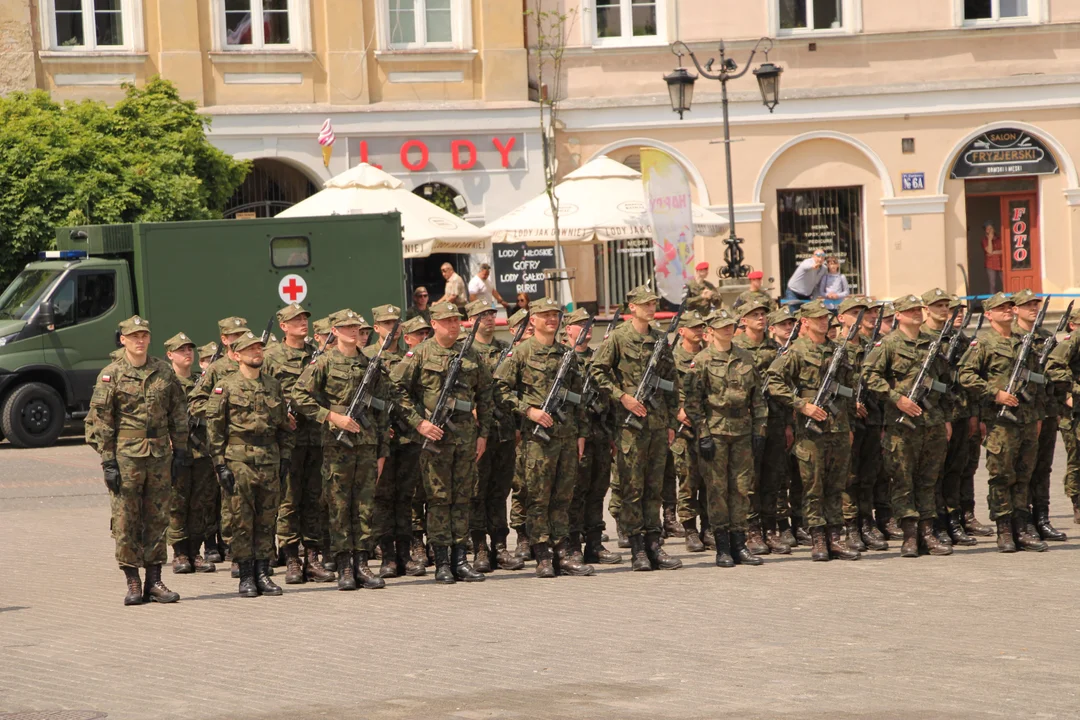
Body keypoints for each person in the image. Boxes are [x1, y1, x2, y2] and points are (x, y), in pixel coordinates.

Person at [85, 315, 189, 605]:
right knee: (126, 519)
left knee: (157, 517)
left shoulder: (163, 372)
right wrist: (108, 461)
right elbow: (102, 421)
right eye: (133, 336)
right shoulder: (111, 374)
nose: (140, 341)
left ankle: (154, 581)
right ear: (123, 340)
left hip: (159, 455)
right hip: (126, 456)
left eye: (144, 335)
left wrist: (180, 450)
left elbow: (178, 413)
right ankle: (132, 582)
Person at [391, 301, 494, 584]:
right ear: (433, 324)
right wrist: (419, 423)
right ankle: (442, 561)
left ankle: (461, 559)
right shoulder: (420, 353)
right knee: (438, 500)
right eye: (447, 320)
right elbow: (396, 388)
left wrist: (483, 434)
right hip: (435, 440)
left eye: (456, 320)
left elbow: (486, 395)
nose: (453, 325)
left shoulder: (470, 355)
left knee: (462, 499)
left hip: (465, 440)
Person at [292, 309, 390, 591]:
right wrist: (331, 417)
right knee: (338, 506)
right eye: (346, 327)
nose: (352, 331)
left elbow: (382, 409)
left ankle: (362, 563)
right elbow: (299, 396)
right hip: (338, 445)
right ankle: (345, 565)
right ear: (334, 331)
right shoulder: (324, 362)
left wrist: (382, 450)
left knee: (364, 506)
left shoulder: (370, 364)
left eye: (356, 327)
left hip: (367, 444)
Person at [494, 297, 590, 578]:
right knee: (538, 498)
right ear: (532, 320)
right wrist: (529, 411)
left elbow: (577, 399)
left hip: (567, 436)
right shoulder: (521, 353)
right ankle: (543, 554)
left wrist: (581, 433)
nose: (551, 319)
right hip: (538, 440)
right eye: (545, 315)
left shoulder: (566, 354)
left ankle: (563, 551)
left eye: (555, 315)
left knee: (563, 497)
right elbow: (500, 390)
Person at [590, 284, 682, 572]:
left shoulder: (659, 339)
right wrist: (623, 397)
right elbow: (596, 371)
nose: (651, 308)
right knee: (632, 488)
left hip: (656, 425)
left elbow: (671, 383)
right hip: (630, 427)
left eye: (653, 303)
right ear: (632, 308)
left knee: (654, 487)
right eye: (645, 304)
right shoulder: (618, 338)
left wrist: (669, 423)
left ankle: (655, 544)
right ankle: (637, 548)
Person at [765, 299, 861, 562]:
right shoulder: (795, 351)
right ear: (804, 322)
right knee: (813, 485)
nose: (824, 321)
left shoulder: (838, 351)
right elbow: (773, 381)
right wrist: (801, 405)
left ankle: (835, 538)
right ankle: (818, 538)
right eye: (818, 318)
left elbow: (848, 392)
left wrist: (850, 425)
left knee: (837, 485)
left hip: (839, 428)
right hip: (811, 432)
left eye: (826, 318)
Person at [863, 294, 953, 557]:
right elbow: (868, 375)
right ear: (898, 315)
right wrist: (896, 399)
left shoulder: (933, 345)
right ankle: (910, 535)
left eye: (917, 309)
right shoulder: (888, 344)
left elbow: (945, 385)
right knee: (902, 480)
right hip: (902, 426)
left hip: (932, 422)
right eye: (909, 310)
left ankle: (928, 532)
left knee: (928, 480)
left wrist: (946, 419)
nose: (915, 313)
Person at [206, 330, 295, 597]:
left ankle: (263, 572)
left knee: (267, 518)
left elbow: (284, 427)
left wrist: (285, 457)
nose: (257, 353)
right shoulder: (226, 386)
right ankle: (245, 575)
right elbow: (215, 429)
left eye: (259, 349)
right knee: (242, 520)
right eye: (250, 349)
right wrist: (220, 464)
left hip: (269, 458)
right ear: (236, 355)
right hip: (239, 461)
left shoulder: (273, 385)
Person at [957, 292, 1046, 553]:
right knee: (1001, 476)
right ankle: (1004, 529)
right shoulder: (983, 343)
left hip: (1027, 419)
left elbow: (1036, 382)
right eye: (1001, 308)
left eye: (1009, 306)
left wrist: (1038, 416)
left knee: (1023, 475)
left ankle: (1022, 527)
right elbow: (965, 375)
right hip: (1000, 422)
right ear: (989, 314)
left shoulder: (1024, 341)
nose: (1007, 310)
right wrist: (995, 393)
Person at [683, 307, 768, 567]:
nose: (727, 330)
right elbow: (693, 402)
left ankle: (739, 543)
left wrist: (759, 430)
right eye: (721, 327)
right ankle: (722, 547)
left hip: (742, 431)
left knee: (742, 489)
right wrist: (703, 434)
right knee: (718, 490)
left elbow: (758, 398)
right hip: (716, 432)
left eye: (730, 325)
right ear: (710, 332)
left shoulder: (745, 357)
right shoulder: (703, 361)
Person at [262, 302, 335, 584]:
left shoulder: (317, 356)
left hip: (315, 436)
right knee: (289, 500)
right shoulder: (271, 356)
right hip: (288, 439)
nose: (302, 323)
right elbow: (263, 393)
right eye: (296, 320)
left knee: (315, 499)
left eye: (305, 318)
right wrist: (281, 417)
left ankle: (312, 558)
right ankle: (292, 557)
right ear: (283, 326)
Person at [189, 316, 251, 578]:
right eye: (234, 336)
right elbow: (195, 403)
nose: (239, 340)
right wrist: (224, 409)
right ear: (224, 340)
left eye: (243, 335)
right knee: (232, 502)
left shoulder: (256, 363)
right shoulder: (216, 369)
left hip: (255, 443)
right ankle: (236, 554)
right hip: (227, 444)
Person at [467, 300, 525, 573]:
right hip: (478, 433)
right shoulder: (465, 352)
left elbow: (515, 390)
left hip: (503, 430)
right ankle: (479, 547)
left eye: (491, 314)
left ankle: (499, 546)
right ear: (471, 319)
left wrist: (516, 424)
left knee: (500, 490)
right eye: (482, 315)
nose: (489, 319)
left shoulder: (506, 350)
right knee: (477, 491)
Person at [565, 308, 622, 565]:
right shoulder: (563, 360)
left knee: (599, 490)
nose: (586, 329)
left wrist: (612, 434)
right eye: (580, 325)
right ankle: (573, 544)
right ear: (568, 330)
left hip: (600, 434)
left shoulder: (599, 359)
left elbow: (609, 398)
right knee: (576, 491)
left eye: (589, 325)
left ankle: (595, 543)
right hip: (576, 437)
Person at [733, 299, 791, 555]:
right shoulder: (735, 349)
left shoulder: (776, 349)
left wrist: (788, 424)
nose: (760, 318)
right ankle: (752, 530)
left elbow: (787, 386)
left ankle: (771, 529)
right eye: (754, 314)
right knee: (750, 478)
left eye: (762, 314)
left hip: (776, 420)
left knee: (773, 476)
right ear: (743, 320)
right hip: (748, 423)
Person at [1011, 289, 1068, 542]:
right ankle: (1020, 520)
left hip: (1044, 411)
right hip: (1019, 414)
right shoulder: (1010, 339)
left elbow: (1055, 377)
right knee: (1021, 469)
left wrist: (1057, 408)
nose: (1033, 309)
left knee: (1043, 467)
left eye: (1035, 305)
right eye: (1027, 305)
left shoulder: (1046, 338)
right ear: (1016, 309)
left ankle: (1042, 518)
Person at [923, 289, 977, 548]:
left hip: (960, 411)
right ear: (926, 309)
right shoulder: (920, 339)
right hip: (931, 414)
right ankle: (936, 522)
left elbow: (971, 376)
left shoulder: (958, 338)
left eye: (946, 305)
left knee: (956, 468)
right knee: (935, 472)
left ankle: (954, 520)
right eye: (938, 305)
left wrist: (976, 413)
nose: (944, 310)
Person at [164, 331, 217, 575]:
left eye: (190, 349)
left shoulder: (201, 382)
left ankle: (195, 551)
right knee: (177, 503)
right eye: (182, 350)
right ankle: (180, 553)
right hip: (177, 451)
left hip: (202, 450)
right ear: (170, 355)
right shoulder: (165, 383)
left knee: (200, 503)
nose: (188, 353)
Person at [671, 311, 709, 552]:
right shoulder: (672, 359)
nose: (698, 331)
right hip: (685, 429)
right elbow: (666, 390)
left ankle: (708, 528)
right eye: (693, 327)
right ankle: (690, 530)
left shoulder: (709, 356)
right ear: (681, 331)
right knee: (688, 481)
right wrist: (677, 411)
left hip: (708, 425)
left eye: (701, 327)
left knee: (709, 480)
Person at [400, 315, 434, 571]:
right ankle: (417, 542)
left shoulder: (434, 360)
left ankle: (435, 541)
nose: (423, 338)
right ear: (407, 338)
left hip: (436, 435)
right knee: (412, 494)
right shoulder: (407, 363)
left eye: (426, 334)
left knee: (433, 491)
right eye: (418, 334)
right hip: (410, 436)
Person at [1046, 307, 1080, 525]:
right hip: (1073, 412)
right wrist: (1072, 391)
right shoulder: (1070, 342)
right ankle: (1077, 503)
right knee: (1076, 459)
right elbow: (1053, 369)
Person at [982, 221, 1003, 295]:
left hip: (1001, 263)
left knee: (1004, 282)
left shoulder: (1000, 238)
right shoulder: (984, 240)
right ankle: (992, 302)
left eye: (991, 228)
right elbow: (990, 251)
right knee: (992, 284)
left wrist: (993, 253)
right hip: (990, 265)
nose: (990, 230)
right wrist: (990, 239)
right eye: (988, 229)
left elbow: (1004, 251)